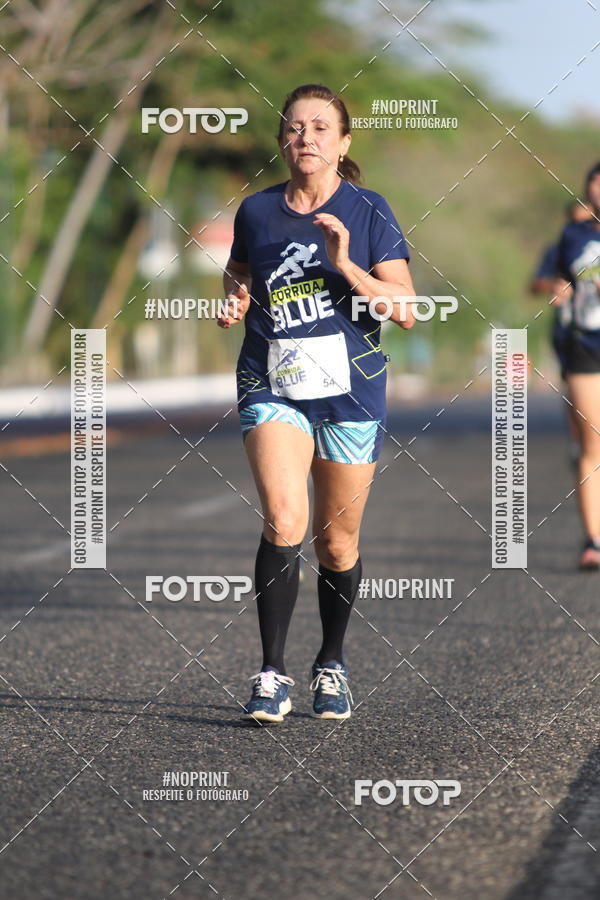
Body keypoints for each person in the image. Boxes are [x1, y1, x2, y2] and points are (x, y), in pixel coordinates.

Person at [218, 83, 416, 723]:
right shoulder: (257, 211)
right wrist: (236, 295)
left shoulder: (369, 210)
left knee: (337, 543)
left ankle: (331, 662)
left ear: (343, 142)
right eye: (295, 127)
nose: (306, 137)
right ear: (283, 140)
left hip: (351, 390)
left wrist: (346, 264)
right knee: (283, 521)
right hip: (271, 380)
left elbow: (405, 310)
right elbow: (240, 269)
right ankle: (271, 673)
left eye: (320, 127)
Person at [551, 163, 600, 569]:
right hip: (585, 344)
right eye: (596, 182)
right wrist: (560, 289)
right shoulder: (574, 235)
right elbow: (559, 278)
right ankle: (594, 541)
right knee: (592, 444)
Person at [530, 200, 592, 464]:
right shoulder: (560, 249)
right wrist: (554, 286)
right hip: (570, 331)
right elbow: (535, 284)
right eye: (576, 221)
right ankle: (581, 440)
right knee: (576, 386)